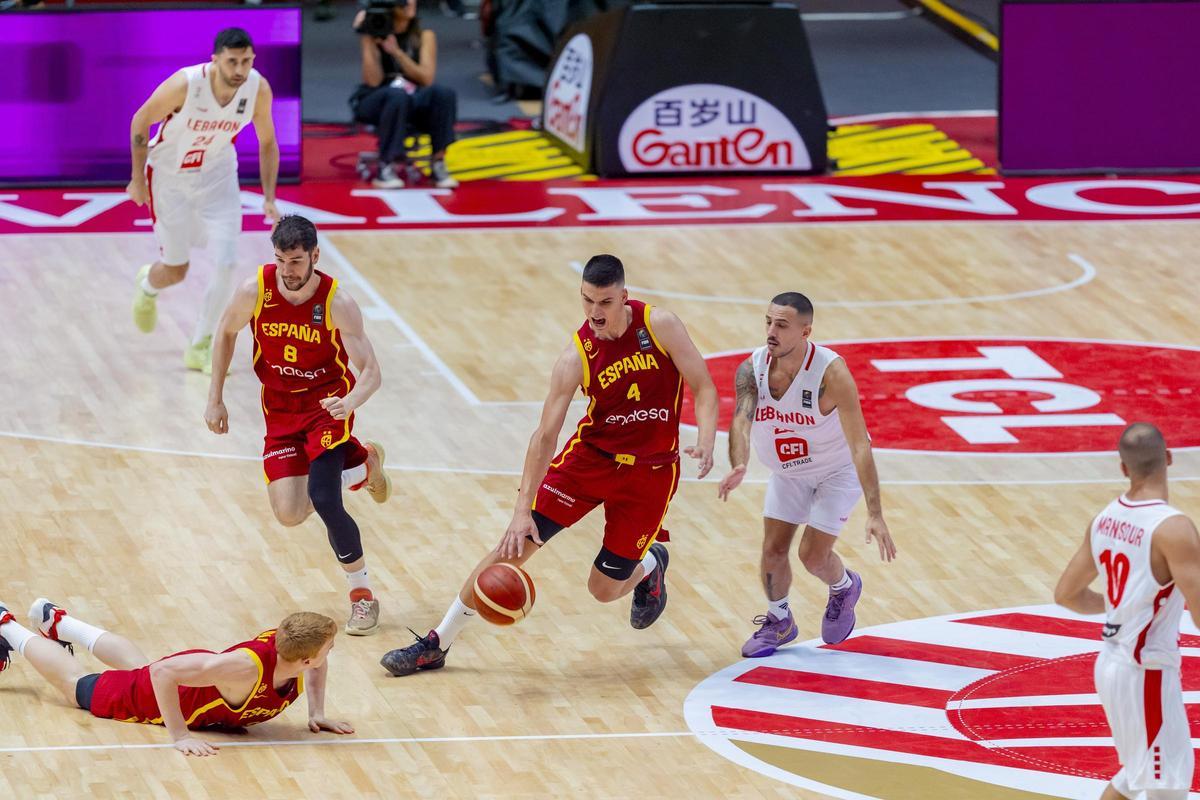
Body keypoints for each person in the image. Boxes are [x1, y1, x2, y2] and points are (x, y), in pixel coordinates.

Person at [380, 254, 718, 676]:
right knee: (511, 550)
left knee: (603, 589)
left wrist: (705, 439)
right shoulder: (575, 356)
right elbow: (544, 437)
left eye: (606, 302)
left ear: (624, 297)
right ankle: (437, 643)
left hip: (651, 471)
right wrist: (521, 511)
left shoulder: (661, 326)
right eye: (588, 301)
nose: (595, 312)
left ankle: (651, 564)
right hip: (590, 462)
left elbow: (703, 385)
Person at [205, 215, 391, 635]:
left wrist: (350, 402)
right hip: (280, 411)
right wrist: (214, 397)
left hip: (326, 407)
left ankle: (363, 596)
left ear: (314, 256)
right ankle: (365, 467)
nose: (287, 270)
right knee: (289, 514)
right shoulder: (255, 290)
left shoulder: (337, 303)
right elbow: (224, 332)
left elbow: (371, 372)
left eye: (295, 261)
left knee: (324, 498)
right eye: (281, 260)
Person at [717, 293, 896, 657]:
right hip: (789, 472)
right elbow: (741, 420)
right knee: (772, 550)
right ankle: (779, 620)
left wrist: (876, 513)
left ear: (805, 331)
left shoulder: (831, 375)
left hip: (836, 471)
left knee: (812, 556)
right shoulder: (753, 368)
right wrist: (739, 463)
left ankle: (844, 586)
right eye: (768, 321)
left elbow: (861, 445)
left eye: (781, 325)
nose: (771, 331)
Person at [0, 599, 352, 757]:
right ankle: (7, 625)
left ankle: (58, 621)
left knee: (137, 666)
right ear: (304, 655)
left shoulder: (295, 646)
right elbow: (162, 673)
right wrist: (179, 735)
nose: (330, 651)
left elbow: (316, 665)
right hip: (169, 689)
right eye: (329, 646)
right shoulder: (247, 668)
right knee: (77, 687)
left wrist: (316, 713)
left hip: (195, 676)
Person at [1055, 423, 1200, 800]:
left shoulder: (1104, 519)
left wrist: (1122, 604)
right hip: (1146, 672)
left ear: (1123, 468)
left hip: (1112, 666)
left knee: (1134, 777)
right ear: (1169, 458)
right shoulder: (1173, 528)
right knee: (1166, 788)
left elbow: (1067, 594)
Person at [127, 27, 282, 374]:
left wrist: (269, 197)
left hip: (218, 175)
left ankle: (201, 344)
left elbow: (268, 142)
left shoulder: (257, 89)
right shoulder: (185, 84)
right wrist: (137, 179)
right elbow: (141, 120)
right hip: (169, 176)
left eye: (246, 60)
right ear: (215, 61)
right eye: (232, 61)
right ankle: (148, 285)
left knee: (227, 262)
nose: (240, 69)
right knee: (177, 270)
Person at [351, 0, 459, 189]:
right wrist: (366, 38)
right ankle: (386, 166)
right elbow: (373, 81)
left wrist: (397, 53)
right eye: (404, 2)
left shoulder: (425, 36)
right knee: (396, 95)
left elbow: (426, 79)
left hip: (414, 98)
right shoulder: (374, 32)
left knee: (444, 94)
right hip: (377, 99)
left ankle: (438, 163)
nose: (410, 2)